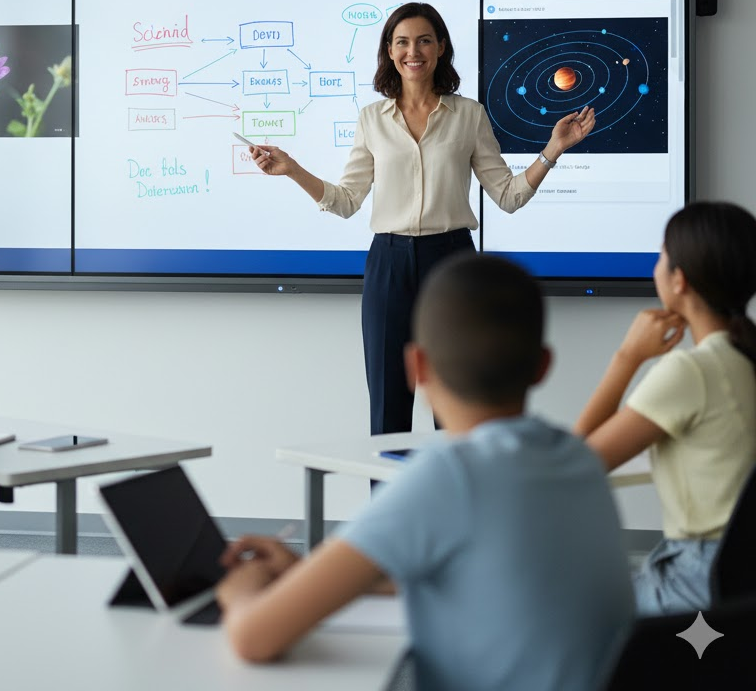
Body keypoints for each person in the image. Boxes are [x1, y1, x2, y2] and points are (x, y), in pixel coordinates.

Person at [217, 253, 633, 690]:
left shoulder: (450, 475)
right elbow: (484, 587)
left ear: (416, 366)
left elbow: (252, 637)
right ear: (544, 365)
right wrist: (306, 572)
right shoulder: (576, 457)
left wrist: (238, 590)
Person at [249, 2, 595, 435]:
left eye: (424, 40)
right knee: (387, 412)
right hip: (388, 264)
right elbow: (346, 200)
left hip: (452, 262)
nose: (414, 51)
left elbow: (507, 196)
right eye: (403, 42)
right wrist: (292, 169)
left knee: (456, 409)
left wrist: (552, 150)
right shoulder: (372, 119)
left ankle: (454, 502)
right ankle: (392, 503)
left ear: (441, 48)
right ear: (390, 52)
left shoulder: (469, 115)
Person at [574, 200, 756, 615]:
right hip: (736, 576)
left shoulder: (691, 371)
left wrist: (627, 357)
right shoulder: (743, 356)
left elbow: (576, 462)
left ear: (679, 280)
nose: (656, 265)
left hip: (700, 578)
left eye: (660, 256)